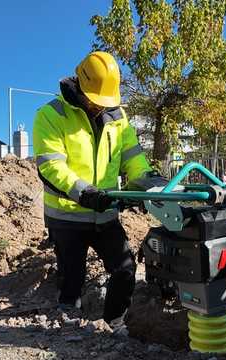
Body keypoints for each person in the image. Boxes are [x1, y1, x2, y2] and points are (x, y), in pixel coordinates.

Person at [32, 51, 165, 328]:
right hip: (67, 216)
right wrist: (85, 192)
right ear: (80, 85)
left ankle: (113, 326)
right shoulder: (50, 115)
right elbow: (51, 168)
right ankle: (69, 327)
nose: (99, 107)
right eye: (95, 101)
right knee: (73, 277)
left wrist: (149, 182)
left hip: (104, 214)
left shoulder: (118, 117)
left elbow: (132, 158)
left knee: (125, 268)